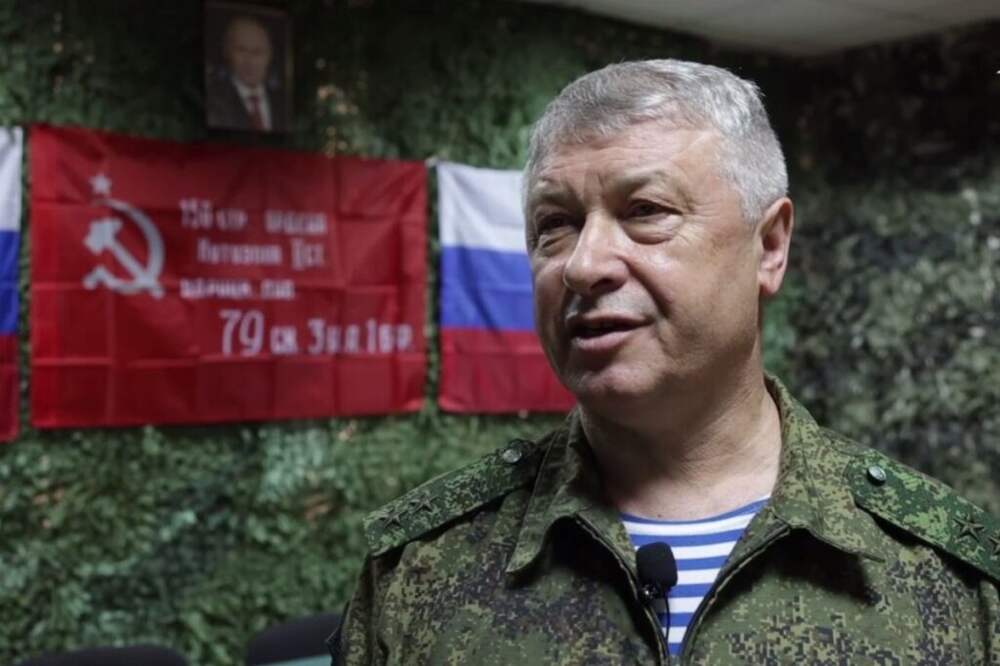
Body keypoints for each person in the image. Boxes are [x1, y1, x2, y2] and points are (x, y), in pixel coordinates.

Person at [330, 60, 999, 664]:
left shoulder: (949, 582)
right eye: (555, 224)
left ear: (769, 246)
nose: (584, 265)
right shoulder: (420, 571)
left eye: (645, 211)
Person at [206, 14, 287, 132]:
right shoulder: (212, 99)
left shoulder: (284, 102)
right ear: (227, 52)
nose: (250, 61)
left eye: (257, 52)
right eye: (241, 50)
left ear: (270, 55)